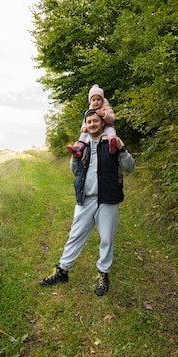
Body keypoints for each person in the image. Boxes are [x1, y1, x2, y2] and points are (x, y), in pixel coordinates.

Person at [41, 108, 135, 296]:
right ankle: (62, 270)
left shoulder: (113, 141)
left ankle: (103, 274)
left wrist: (121, 150)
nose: (92, 124)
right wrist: (74, 158)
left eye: (96, 121)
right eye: (89, 121)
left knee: (107, 239)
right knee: (75, 235)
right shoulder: (81, 144)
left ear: (102, 123)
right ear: (86, 125)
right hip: (86, 199)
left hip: (108, 199)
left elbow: (130, 167)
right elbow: (75, 171)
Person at [67, 84, 119, 157]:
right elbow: (85, 121)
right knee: (84, 133)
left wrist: (104, 114)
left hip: (107, 126)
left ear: (102, 100)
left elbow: (112, 119)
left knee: (111, 131)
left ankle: (112, 144)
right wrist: (84, 127)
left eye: (98, 99)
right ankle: (79, 147)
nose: (96, 102)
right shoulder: (89, 111)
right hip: (94, 130)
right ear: (90, 101)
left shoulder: (106, 108)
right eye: (94, 100)